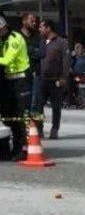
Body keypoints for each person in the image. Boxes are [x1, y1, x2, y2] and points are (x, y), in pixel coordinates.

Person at [0, 14, 31, 158]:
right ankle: (13, 147)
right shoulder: (3, 39)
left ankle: (24, 148)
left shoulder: (15, 38)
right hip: (9, 81)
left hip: (21, 79)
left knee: (21, 115)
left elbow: (7, 60)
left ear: (3, 27)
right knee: (9, 116)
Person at [38, 19, 70, 140]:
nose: (39, 29)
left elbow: (66, 61)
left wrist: (63, 77)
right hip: (41, 79)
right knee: (38, 105)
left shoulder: (61, 42)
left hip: (55, 79)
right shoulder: (40, 41)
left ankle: (55, 129)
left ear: (48, 28)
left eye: (41, 27)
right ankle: (39, 129)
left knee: (56, 106)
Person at [21, 11, 42, 118]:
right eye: (31, 21)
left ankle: (36, 124)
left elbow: (41, 53)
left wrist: (27, 50)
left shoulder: (38, 37)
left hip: (35, 74)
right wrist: (33, 50)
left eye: (35, 21)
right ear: (24, 21)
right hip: (20, 75)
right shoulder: (16, 36)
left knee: (36, 102)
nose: (34, 23)